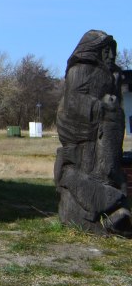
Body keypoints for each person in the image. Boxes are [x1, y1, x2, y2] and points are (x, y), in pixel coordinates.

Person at [54, 30, 132, 236]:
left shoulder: (114, 74)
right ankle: (94, 210)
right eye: (106, 51)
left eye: (112, 51)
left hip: (109, 125)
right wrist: (100, 105)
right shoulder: (80, 70)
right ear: (94, 50)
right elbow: (72, 100)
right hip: (82, 128)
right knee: (88, 162)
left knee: (109, 164)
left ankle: (111, 204)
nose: (110, 56)